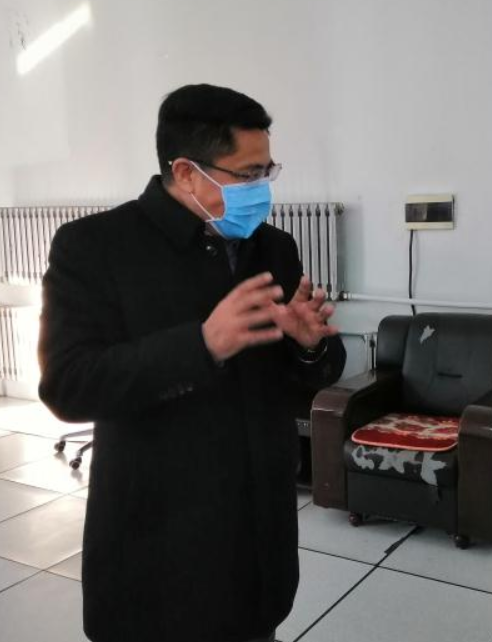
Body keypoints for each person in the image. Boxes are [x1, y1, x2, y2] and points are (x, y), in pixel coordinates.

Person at [39, 84, 345, 642]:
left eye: (267, 172)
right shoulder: (95, 247)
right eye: (247, 174)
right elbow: (68, 385)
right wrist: (201, 345)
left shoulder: (273, 247)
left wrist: (310, 345)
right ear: (185, 172)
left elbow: (309, 376)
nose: (262, 189)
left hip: (258, 539)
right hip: (158, 553)